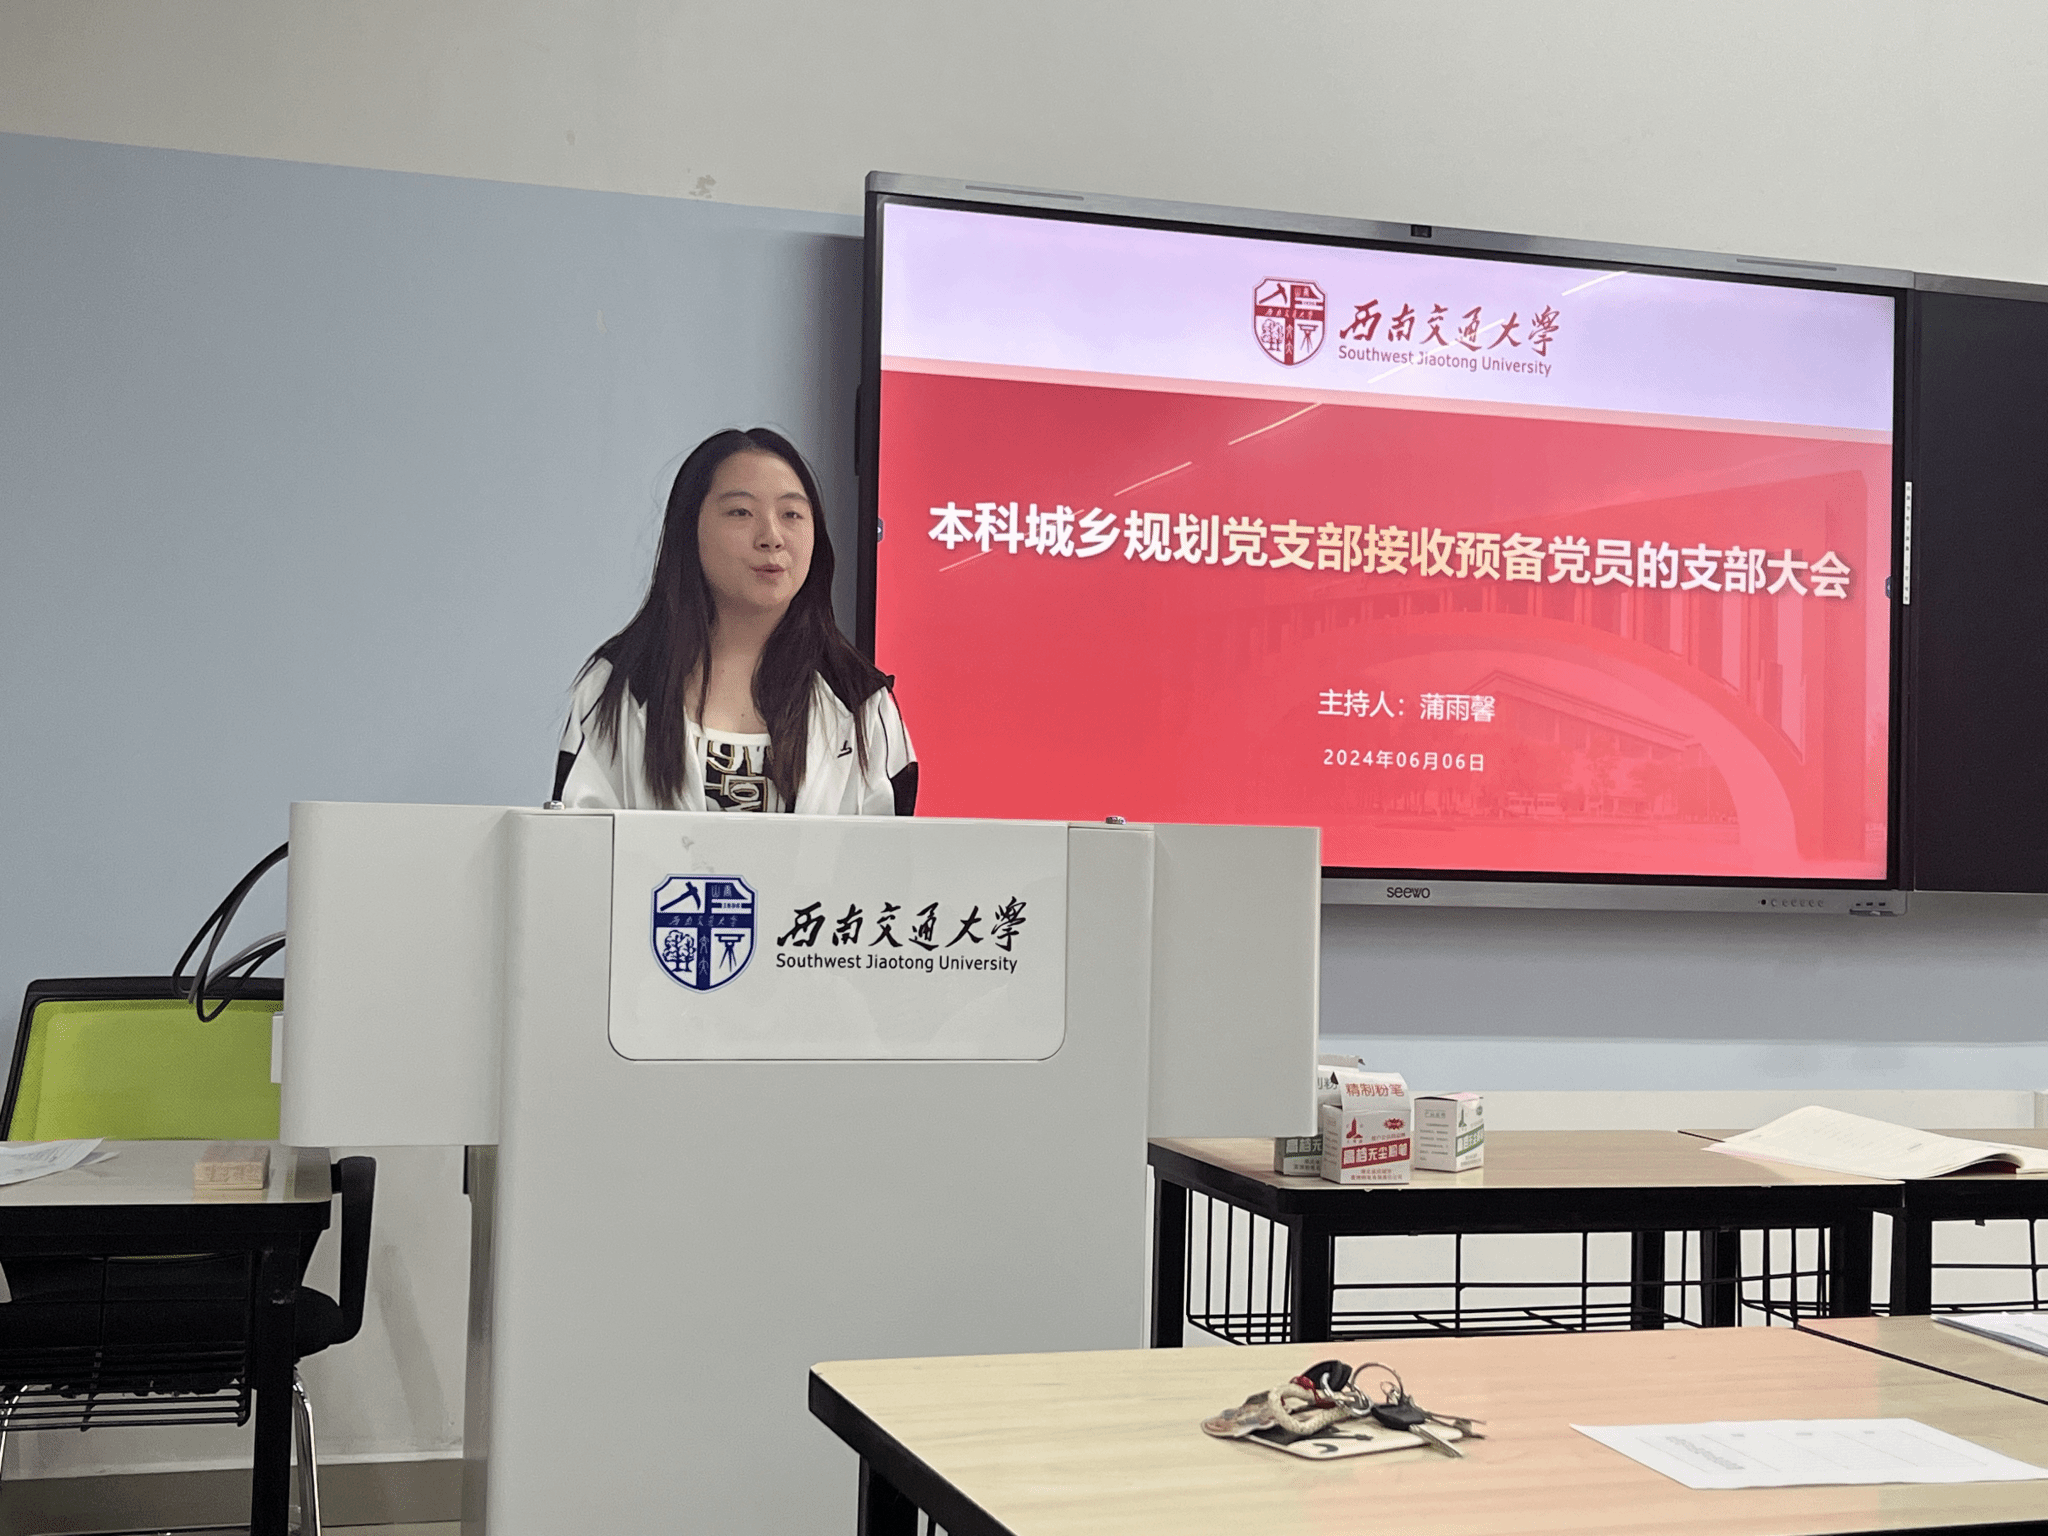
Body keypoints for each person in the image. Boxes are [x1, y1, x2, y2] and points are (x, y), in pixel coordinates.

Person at [554, 428, 915, 815]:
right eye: (741, 512)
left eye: (791, 514)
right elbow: (578, 844)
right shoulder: (619, 684)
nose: (771, 537)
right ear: (689, 528)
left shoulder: (859, 700)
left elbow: (893, 848)